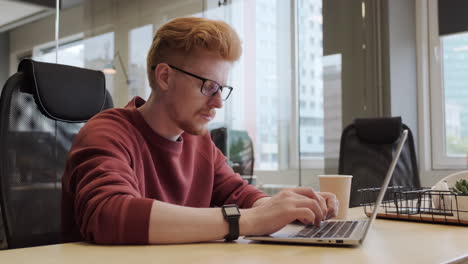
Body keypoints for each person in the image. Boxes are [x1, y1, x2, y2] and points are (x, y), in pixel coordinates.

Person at [61, 17, 338, 245]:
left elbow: (238, 194)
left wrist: (284, 207)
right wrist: (246, 221)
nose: (218, 102)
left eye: (222, 89)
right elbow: (109, 215)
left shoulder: (199, 139)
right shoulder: (107, 132)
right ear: (165, 76)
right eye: (208, 86)